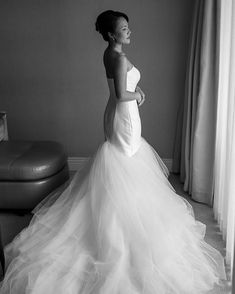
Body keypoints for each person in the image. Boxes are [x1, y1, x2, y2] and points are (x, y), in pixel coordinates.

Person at [0, 9, 227, 294]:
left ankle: (123, 215)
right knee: (126, 163)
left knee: (122, 164)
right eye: (123, 28)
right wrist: (140, 94)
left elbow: (121, 84)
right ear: (111, 34)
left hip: (118, 115)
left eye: (128, 27)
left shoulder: (110, 54)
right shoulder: (117, 57)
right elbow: (121, 94)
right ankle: (127, 226)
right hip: (125, 116)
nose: (129, 31)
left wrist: (136, 86)